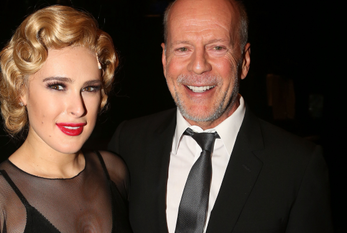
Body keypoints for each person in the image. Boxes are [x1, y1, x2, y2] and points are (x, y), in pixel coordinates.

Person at [108, 0, 333, 232]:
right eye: (183, 48)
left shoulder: (298, 167)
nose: (198, 66)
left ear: (244, 61)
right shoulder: (127, 144)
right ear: (165, 60)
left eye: (217, 48)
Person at [0, 5, 132, 233]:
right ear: (20, 91)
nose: (78, 108)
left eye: (90, 88)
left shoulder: (114, 172)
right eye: (57, 86)